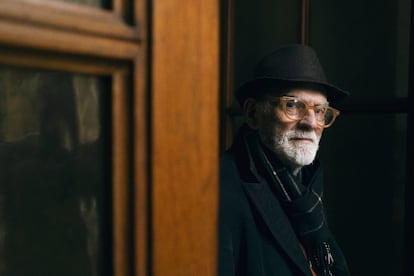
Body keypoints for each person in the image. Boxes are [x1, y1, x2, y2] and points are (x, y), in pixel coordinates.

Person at [218, 44, 350, 276]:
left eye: (320, 111)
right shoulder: (220, 188)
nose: (311, 123)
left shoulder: (306, 190)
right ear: (252, 113)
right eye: (292, 105)